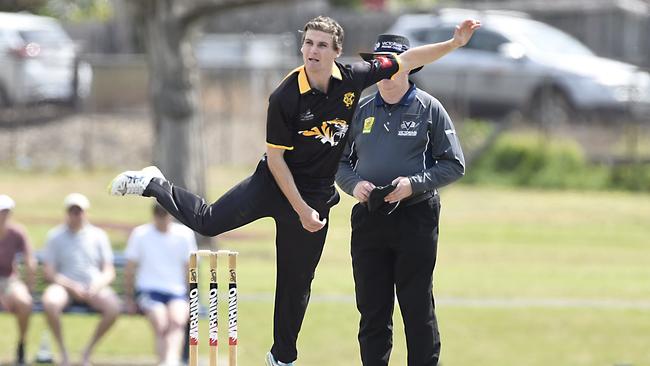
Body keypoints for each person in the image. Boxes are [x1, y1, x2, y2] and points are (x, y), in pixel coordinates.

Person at [108, 16, 479, 366]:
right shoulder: (285, 96)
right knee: (209, 222)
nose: (312, 51)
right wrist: (301, 209)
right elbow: (275, 161)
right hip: (274, 183)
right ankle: (155, 183)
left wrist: (455, 42)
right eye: (307, 44)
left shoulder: (354, 78)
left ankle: (281, 357)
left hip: (317, 194)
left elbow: (410, 59)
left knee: (296, 281)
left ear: (336, 53)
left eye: (321, 45)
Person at [335, 34, 466, 366]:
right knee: (372, 309)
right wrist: (355, 185)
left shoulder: (428, 107)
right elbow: (339, 162)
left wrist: (413, 184)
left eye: (392, 67)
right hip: (369, 217)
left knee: (416, 306)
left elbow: (454, 164)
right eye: (379, 68)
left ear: (409, 68)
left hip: (415, 215)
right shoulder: (360, 108)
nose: (385, 75)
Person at [41, 193, 121, 366]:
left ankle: (87, 351)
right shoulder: (55, 236)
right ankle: (63, 352)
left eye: (79, 211)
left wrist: (97, 285)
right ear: (67, 213)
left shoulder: (98, 235)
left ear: (86, 213)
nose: (76, 215)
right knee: (50, 302)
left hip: (93, 286)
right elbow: (50, 272)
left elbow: (109, 270)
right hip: (64, 285)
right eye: (73, 211)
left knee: (113, 307)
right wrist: (71, 286)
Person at [124, 204, 197, 366]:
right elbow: (130, 269)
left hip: (176, 292)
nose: (162, 219)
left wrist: (192, 298)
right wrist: (129, 298)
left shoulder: (184, 234)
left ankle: (171, 361)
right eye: (159, 214)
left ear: (170, 216)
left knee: (178, 320)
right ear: (153, 215)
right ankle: (165, 361)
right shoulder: (140, 234)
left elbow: (190, 269)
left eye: (165, 214)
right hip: (148, 291)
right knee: (161, 321)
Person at [0, 195, 36, 366]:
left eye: (6, 211)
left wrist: (29, 285)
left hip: (9, 280)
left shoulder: (17, 232)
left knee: (25, 302)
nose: (3, 215)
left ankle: (21, 344)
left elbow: (30, 259)